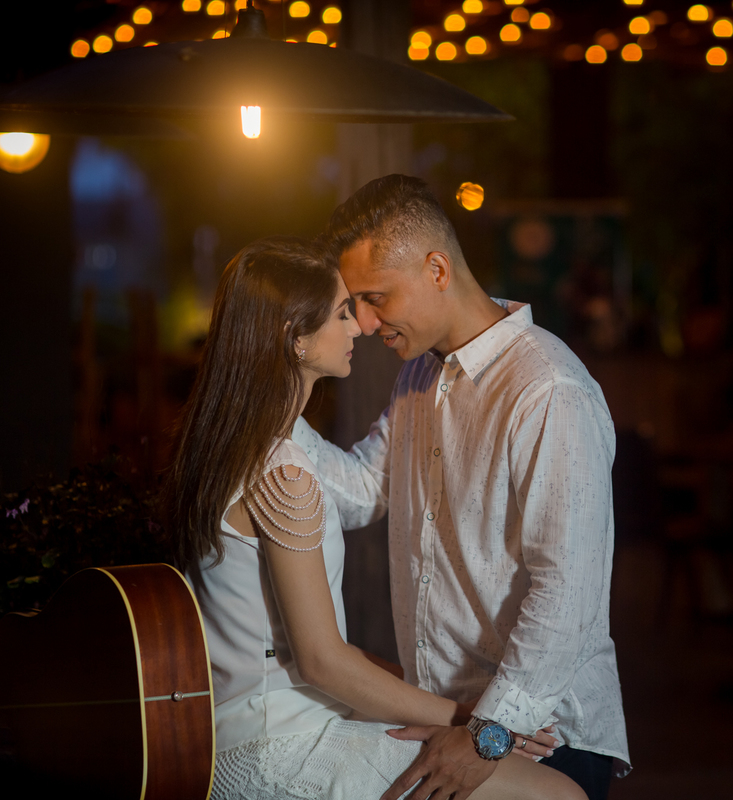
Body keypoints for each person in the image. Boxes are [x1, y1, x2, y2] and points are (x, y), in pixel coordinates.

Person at [162, 236, 581, 800]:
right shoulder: (283, 476)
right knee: (558, 795)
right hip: (285, 744)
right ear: (296, 339)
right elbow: (320, 661)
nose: (360, 325)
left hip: (234, 735)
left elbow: (292, 644)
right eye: (340, 312)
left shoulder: (227, 450)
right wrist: (479, 726)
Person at [291, 175, 630, 800]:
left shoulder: (549, 389)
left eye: (375, 298)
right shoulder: (422, 373)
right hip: (452, 722)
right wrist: (270, 410)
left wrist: (487, 736)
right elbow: (364, 488)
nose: (364, 323)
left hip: (543, 737)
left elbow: (569, 593)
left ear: (438, 269)